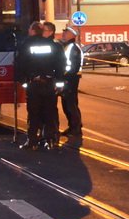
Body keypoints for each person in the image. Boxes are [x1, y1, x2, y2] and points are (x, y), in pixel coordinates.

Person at [17, 22, 63, 150]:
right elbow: (60, 65)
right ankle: (49, 140)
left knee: (33, 113)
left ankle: (32, 141)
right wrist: (59, 83)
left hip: (34, 83)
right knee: (49, 112)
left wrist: (23, 81)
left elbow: (21, 64)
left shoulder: (27, 45)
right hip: (49, 83)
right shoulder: (54, 46)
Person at [59, 27, 83, 138]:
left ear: (72, 36)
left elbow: (74, 66)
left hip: (71, 79)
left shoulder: (73, 48)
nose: (63, 34)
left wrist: (65, 76)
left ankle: (76, 128)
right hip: (68, 78)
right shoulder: (67, 46)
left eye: (66, 33)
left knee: (70, 104)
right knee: (67, 104)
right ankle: (73, 127)